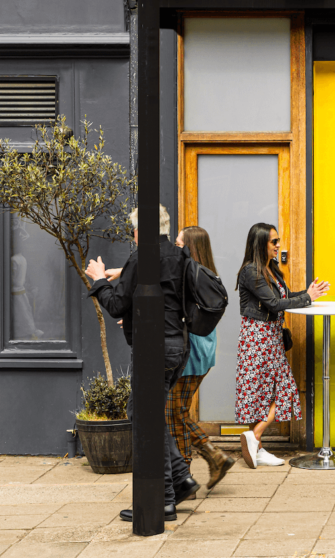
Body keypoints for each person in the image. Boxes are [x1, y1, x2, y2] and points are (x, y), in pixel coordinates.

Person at [84, 204, 199, 522]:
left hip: (153, 351)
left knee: (143, 418)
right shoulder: (179, 254)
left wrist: (98, 281)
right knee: (147, 413)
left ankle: (161, 501)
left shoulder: (140, 256)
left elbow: (118, 305)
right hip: (178, 348)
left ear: (139, 232)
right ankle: (180, 478)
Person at [235, 222, 329, 469]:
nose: (278, 245)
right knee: (279, 390)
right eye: (273, 242)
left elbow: (283, 298)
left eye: (278, 241)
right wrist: (308, 298)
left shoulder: (271, 270)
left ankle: (257, 445)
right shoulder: (251, 272)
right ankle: (255, 437)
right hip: (258, 337)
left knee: (265, 393)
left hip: (270, 337)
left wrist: (307, 292)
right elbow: (275, 304)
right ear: (260, 244)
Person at [165, 226, 234, 490]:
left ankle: (198, 467)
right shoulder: (205, 271)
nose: (175, 245)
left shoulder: (186, 273)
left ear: (189, 246)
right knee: (177, 411)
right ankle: (192, 471)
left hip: (189, 350)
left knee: (174, 412)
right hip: (203, 348)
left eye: (179, 241)